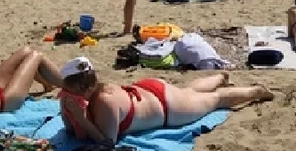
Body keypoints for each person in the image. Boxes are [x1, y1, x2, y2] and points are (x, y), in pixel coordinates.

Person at [58, 56, 272, 144]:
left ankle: (256, 91)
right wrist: (66, 111)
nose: (66, 96)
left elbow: (107, 142)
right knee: (188, 91)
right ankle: (220, 77)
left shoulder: (105, 101)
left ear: (82, 88)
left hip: (168, 108)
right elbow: (70, 130)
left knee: (215, 100)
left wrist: (81, 118)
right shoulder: (95, 91)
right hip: (150, 91)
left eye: (69, 92)